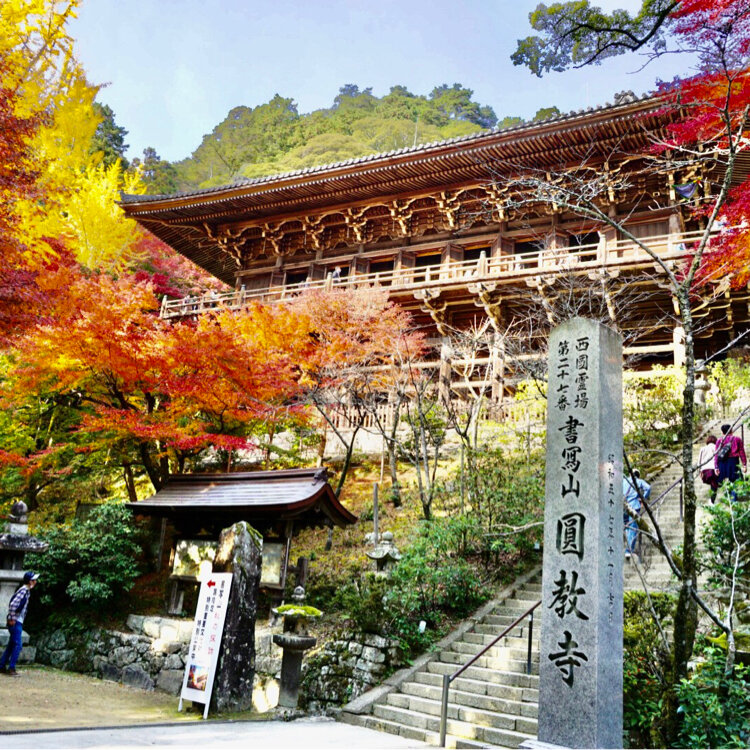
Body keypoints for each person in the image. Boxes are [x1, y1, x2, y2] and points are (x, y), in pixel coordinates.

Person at [1, 571, 39, 676]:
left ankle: (2, 665)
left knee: (12, 644)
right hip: (16, 621)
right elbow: (13, 605)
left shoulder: (26, 591)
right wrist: (12, 618)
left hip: (17, 620)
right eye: (33, 580)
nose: (35, 582)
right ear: (29, 581)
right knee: (18, 645)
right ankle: (11, 668)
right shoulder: (23, 591)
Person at [623, 470, 650, 558]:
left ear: (630, 474)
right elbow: (648, 488)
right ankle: (628, 550)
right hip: (634, 506)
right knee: (633, 528)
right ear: (638, 476)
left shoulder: (624, 481)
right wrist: (642, 498)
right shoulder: (639, 481)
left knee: (626, 526)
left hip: (623, 505)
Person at [715, 423, 747, 496]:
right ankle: (733, 498)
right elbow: (742, 452)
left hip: (722, 462)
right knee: (734, 479)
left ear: (722, 432)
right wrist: (744, 464)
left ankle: (728, 496)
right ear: (731, 430)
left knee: (725, 480)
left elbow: (716, 455)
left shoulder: (719, 441)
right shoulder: (737, 439)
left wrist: (716, 466)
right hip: (734, 461)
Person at [698, 434, 720, 503]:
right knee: (714, 485)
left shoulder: (703, 449)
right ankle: (712, 501)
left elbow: (699, 461)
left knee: (712, 484)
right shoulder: (716, 448)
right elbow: (718, 459)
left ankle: (711, 500)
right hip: (713, 469)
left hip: (705, 470)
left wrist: (700, 471)